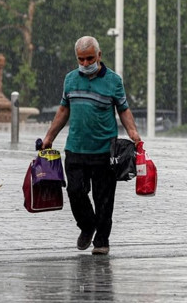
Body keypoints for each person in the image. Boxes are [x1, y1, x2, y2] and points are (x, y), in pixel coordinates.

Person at [41, 36, 141, 256]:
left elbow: (123, 109)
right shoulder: (70, 79)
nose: (85, 64)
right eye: (81, 59)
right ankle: (87, 226)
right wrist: (49, 137)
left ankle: (102, 240)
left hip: (105, 151)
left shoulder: (113, 81)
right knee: (75, 191)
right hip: (75, 147)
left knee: (103, 199)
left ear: (99, 55)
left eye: (89, 59)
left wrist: (133, 133)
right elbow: (63, 110)